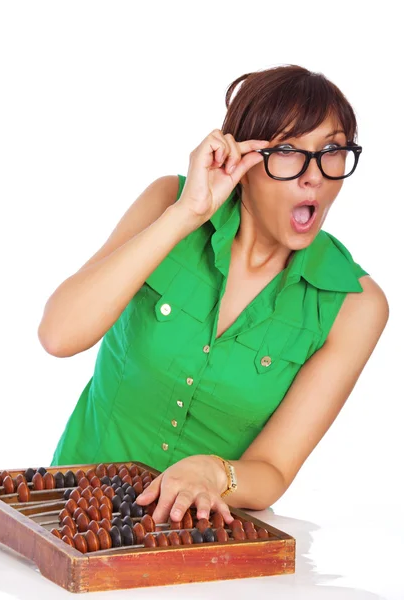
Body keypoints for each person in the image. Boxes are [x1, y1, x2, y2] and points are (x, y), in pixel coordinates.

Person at [38, 64, 389, 527]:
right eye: (287, 150)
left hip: (196, 549)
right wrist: (186, 214)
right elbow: (59, 334)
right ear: (241, 157)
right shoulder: (169, 202)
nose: (315, 177)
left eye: (331, 151)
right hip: (70, 517)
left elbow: (275, 468)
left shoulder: (355, 305)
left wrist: (216, 472)